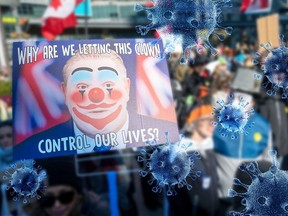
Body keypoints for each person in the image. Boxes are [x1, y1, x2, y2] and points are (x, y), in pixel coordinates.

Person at [14, 49, 179, 159]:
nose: (96, 96)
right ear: (64, 92)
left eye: (108, 85)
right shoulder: (30, 151)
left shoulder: (167, 135)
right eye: (82, 87)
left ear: (127, 87)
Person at [169, 105, 219, 216]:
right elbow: (176, 198)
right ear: (193, 122)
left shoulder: (209, 147)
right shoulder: (180, 153)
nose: (212, 124)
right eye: (207, 120)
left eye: (214, 120)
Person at [27, 157, 110, 216]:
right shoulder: (33, 212)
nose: (57, 205)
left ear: (79, 195)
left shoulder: (100, 211)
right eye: (48, 200)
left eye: (65, 197)